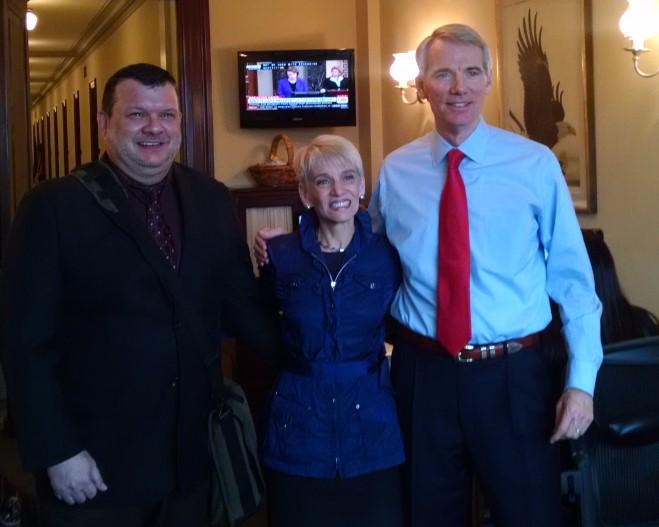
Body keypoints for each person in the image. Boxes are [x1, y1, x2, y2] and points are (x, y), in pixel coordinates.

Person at [254, 23, 603, 527]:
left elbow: (573, 281)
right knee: (428, 515)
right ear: (421, 85)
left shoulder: (535, 165)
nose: (458, 87)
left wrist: (582, 383)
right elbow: (360, 248)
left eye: (471, 72)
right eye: (443, 74)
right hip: (423, 377)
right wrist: (289, 242)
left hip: (513, 378)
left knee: (531, 515)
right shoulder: (397, 171)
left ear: (489, 79)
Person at [0, 63, 278, 527]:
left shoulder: (211, 198)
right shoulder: (51, 207)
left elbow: (241, 306)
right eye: (136, 115)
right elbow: (25, 343)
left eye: (167, 115)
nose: (154, 127)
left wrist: (317, 358)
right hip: (94, 467)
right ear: (104, 123)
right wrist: (56, 450)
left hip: (191, 459)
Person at [259, 135, 404, 527]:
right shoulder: (280, 255)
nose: (338, 191)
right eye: (323, 181)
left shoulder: (387, 255)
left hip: (373, 432)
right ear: (305, 193)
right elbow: (260, 326)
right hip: (298, 434)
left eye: (348, 177)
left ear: (362, 186)